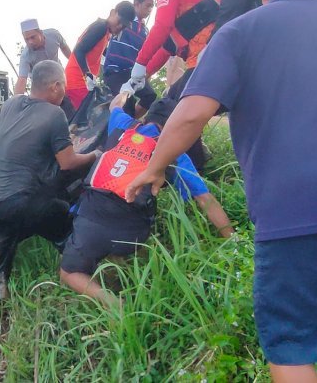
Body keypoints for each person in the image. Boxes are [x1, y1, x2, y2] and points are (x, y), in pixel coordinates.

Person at [125, 0, 317, 381]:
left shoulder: (240, 32)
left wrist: (154, 169)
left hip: (303, 203)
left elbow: (191, 114)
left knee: (290, 345)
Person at [60, 94, 234, 307]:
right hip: (132, 232)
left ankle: (114, 304)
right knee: (131, 233)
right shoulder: (174, 153)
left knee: (69, 273)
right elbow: (206, 200)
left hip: (92, 219)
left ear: (146, 118)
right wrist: (233, 242)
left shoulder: (122, 124)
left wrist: (123, 94)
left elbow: (115, 106)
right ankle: (125, 263)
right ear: (173, 127)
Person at [0, 60, 100, 346]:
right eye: (63, 86)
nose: (64, 92)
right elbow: (67, 163)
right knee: (65, 226)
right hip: (23, 200)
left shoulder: (10, 103)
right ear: (55, 86)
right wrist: (93, 155)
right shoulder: (54, 113)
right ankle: (84, 277)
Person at [125, 0, 222, 172]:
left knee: (164, 107)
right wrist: (142, 75)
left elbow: (161, 26)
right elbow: (167, 47)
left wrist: (139, 63)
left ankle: (144, 166)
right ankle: (197, 167)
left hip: (207, 63)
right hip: (223, 60)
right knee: (179, 104)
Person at [64, 1, 135, 109]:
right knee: (87, 118)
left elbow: (100, 52)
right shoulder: (101, 27)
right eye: (119, 21)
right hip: (77, 81)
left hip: (81, 82)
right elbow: (79, 50)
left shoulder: (106, 31)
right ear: (112, 13)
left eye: (124, 25)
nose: (120, 26)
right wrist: (87, 73)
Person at [103, 0, 157, 118]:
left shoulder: (145, 31)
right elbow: (108, 28)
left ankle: (130, 121)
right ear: (137, 4)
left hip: (130, 74)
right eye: (147, 5)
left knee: (150, 96)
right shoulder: (124, 21)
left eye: (152, 7)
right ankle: (122, 125)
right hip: (115, 71)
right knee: (126, 104)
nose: (150, 10)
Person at [14, 19, 71, 95]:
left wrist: (75, 65)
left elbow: (65, 48)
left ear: (40, 33)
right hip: (41, 86)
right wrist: (15, 102)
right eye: (26, 39)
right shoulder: (26, 56)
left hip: (59, 77)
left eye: (33, 37)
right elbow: (22, 79)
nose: (30, 42)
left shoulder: (54, 35)